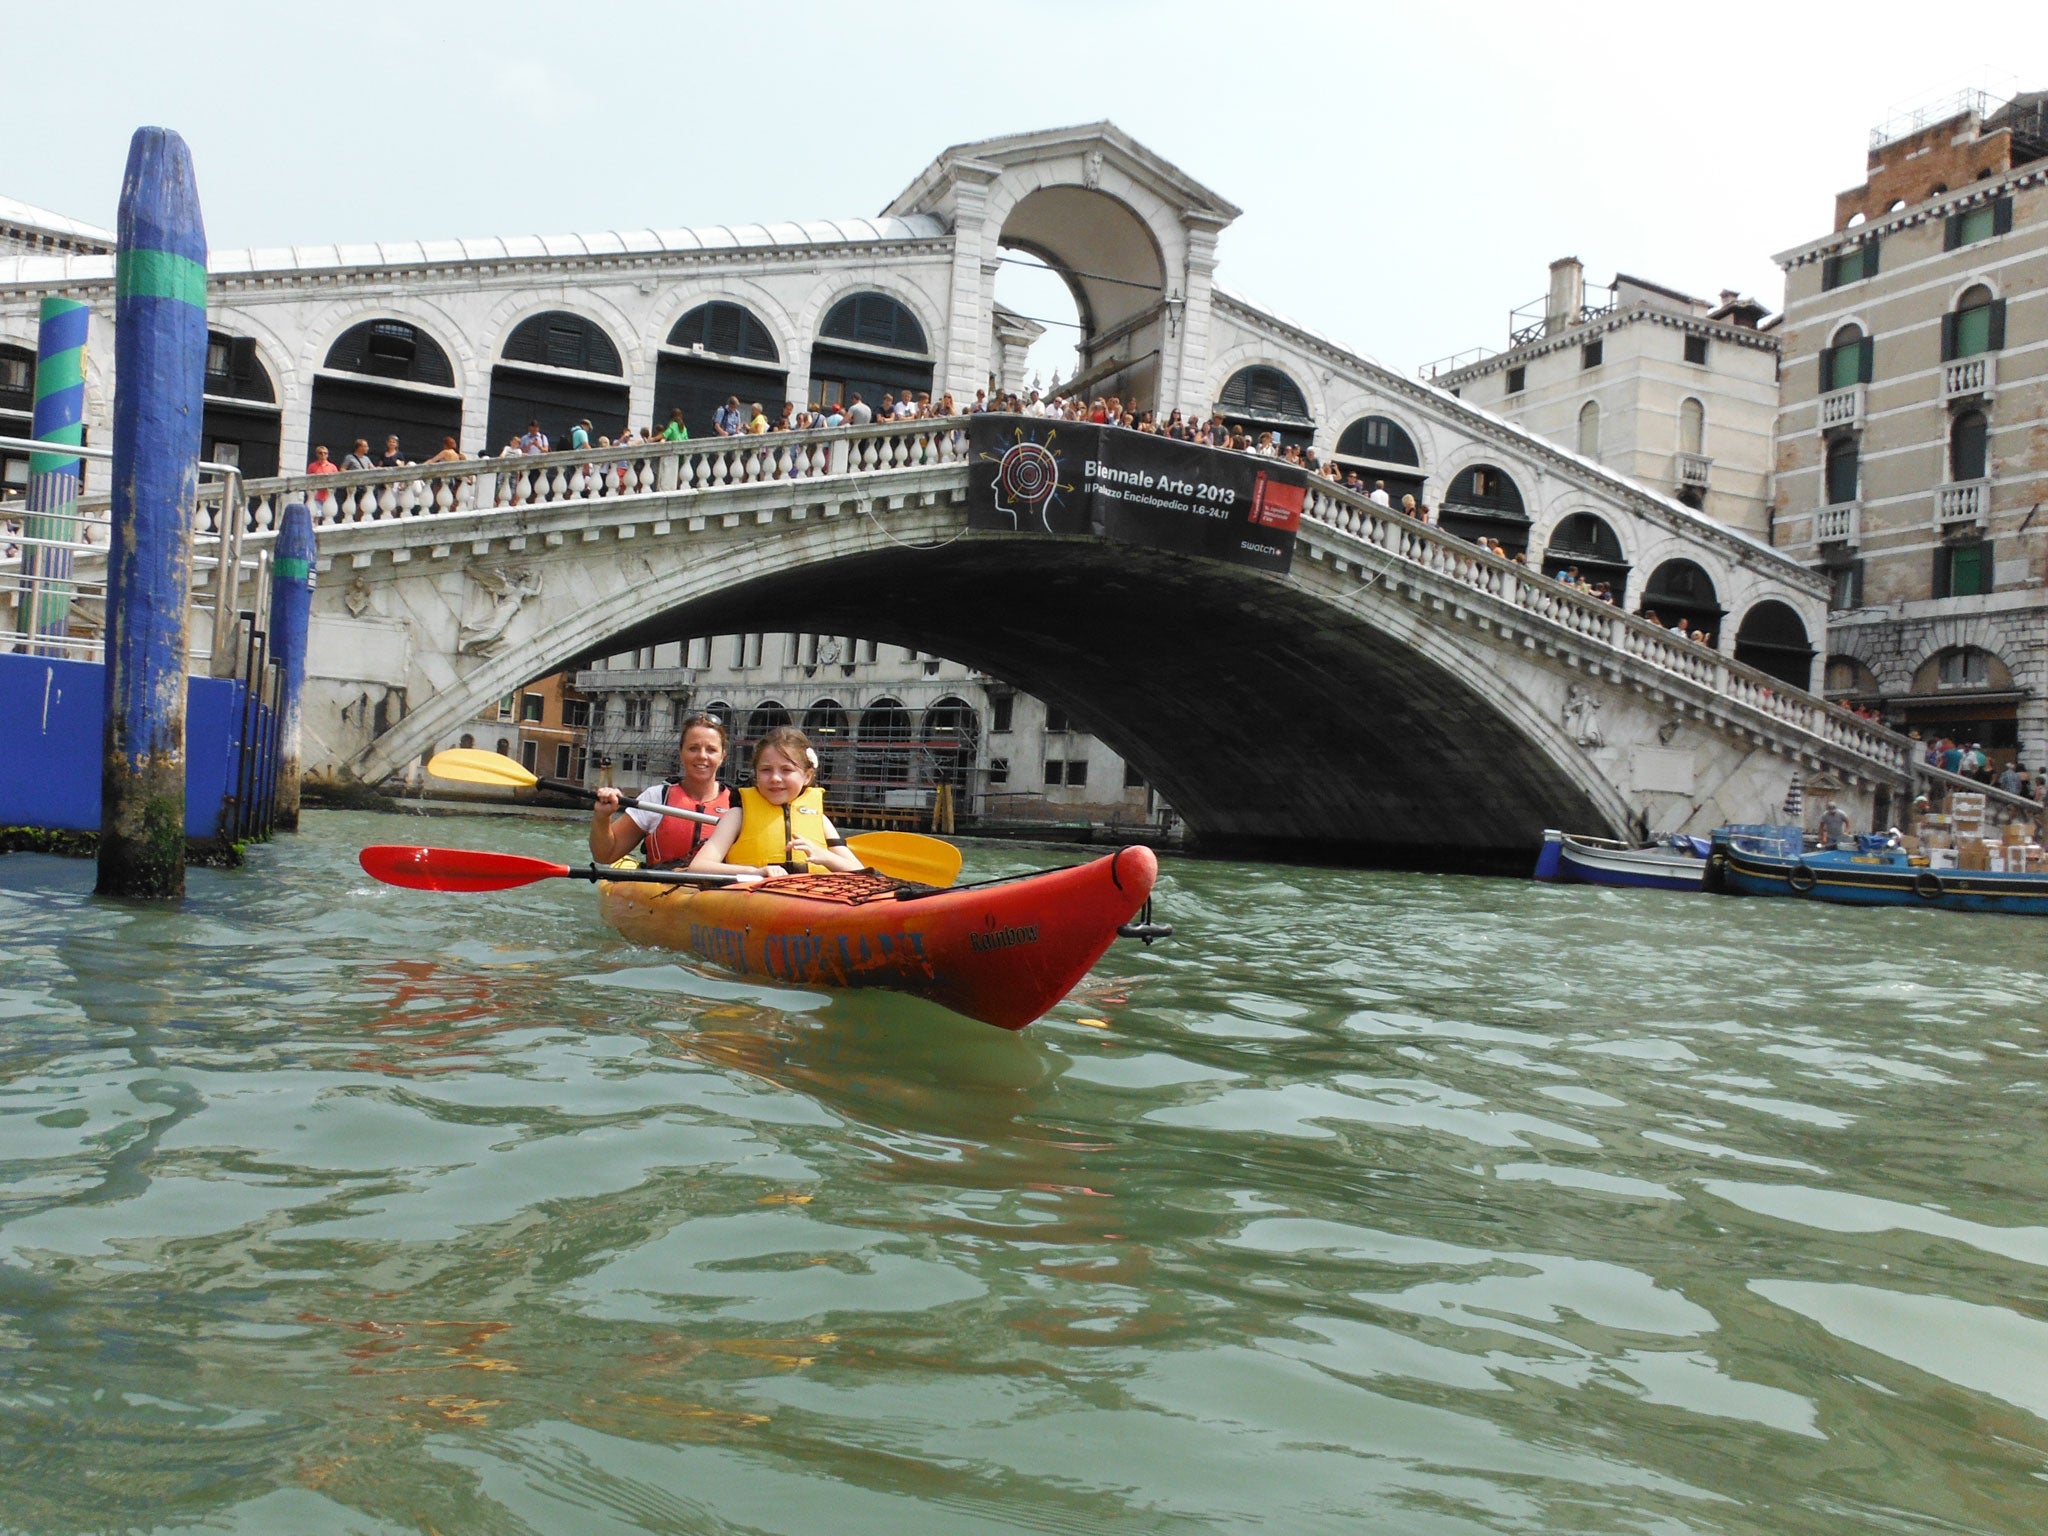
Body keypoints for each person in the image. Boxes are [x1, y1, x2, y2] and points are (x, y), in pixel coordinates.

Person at [691, 725, 863, 877]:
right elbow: (698, 866)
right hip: (754, 901)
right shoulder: (737, 816)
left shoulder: (820, 820)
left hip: (813, 901)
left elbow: (861, 872)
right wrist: (755, 871)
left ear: (807, 776)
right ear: (756, 774)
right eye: (766, 770)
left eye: (786, 770)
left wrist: (826, 856)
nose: (775, 778)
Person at [589, 712, 733, 867]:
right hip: (661, 887)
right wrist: (602, 817)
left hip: (718, 889)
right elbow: (605, 855)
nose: (702, 756)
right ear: (681, 753)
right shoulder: (656, 798)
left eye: (711, 750)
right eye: (693, 748)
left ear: (722, 756)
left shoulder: (737, 804)